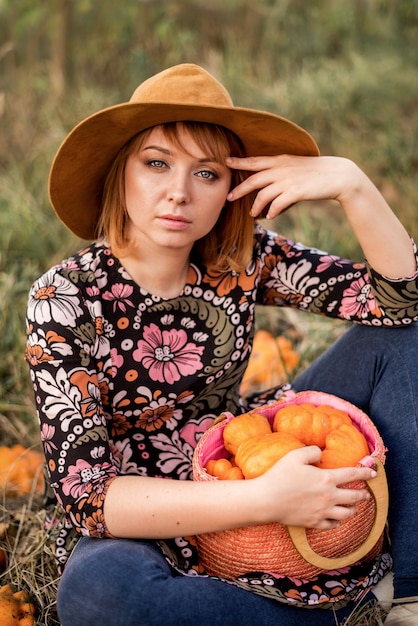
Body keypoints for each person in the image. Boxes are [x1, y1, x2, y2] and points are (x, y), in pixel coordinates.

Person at [25, 63, 418, 625]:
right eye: (156, 163)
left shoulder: (240, 257)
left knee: (407, 336)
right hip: (148, 513)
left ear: (231, 188)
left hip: (245, 450)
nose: (178, 193)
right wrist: (270, 501)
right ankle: (322, 611)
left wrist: (352, 184)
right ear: (122, 171)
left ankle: (411, 592)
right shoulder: (64, 299)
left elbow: (401, 300)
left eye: (206, 174)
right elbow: (89, 497)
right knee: (99, 594)